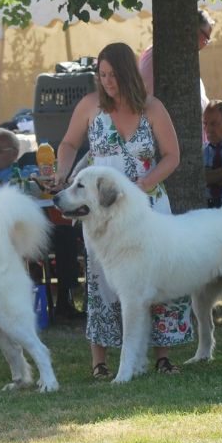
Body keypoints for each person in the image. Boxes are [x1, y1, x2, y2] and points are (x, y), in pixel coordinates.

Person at [54, 42, 191, 378]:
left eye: (113, 75)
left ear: (128, 73)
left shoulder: (152, 108)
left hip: (148, 206)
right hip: (100, 212)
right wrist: (62, 171)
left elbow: (172, 155)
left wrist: (145, 182)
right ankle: (100, 361)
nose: (108, 82)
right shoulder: (90, 106)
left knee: (159, 274)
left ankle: (162, 355)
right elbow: (70, 143)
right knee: (101, 280)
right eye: (102, 76)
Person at [138, 8, 214, 111]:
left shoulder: (178, 55)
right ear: (193, 29)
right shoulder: (164, 56)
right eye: (206, 38)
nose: (205, 44)